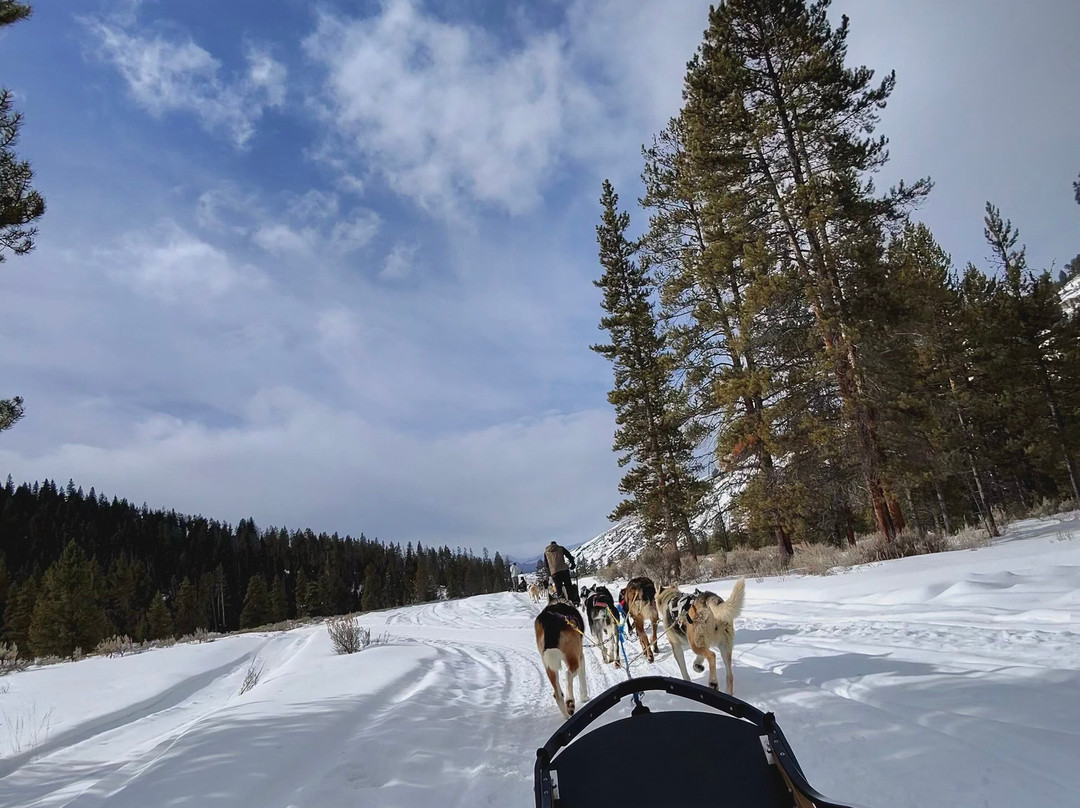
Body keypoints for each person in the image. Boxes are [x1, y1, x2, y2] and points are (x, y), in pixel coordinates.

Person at [544, 540, 578, 605]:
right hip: (564, 570)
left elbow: (546, 565)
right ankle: (572, 601)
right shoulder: (560, 548)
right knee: (568, 586)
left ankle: (561, 603)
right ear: (556, 544)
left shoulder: (546, 552)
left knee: (558, 588)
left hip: (554, 572)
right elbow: (569, 555)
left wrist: (549, 574)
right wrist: (572, 564)